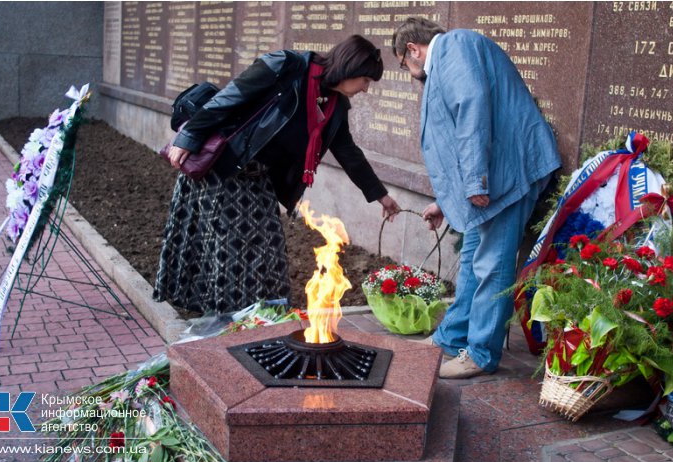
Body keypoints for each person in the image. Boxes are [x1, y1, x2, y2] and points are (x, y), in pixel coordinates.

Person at [154, 35, 400, 316]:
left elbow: (348, 153)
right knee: (230, 249)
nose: (366, 89)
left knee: (267, 252)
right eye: (366, 80)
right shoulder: (286, 66)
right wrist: (188, 136)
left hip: (258, 179)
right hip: (224, 170)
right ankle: (226, 319)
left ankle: (257, 316)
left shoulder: (335, 105)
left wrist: (380, 195)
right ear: (350, 68)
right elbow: (229, 98)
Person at [392, 18, 561, 378]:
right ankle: (451, 340)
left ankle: (481, 352)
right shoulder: (453, 54)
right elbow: (461, 129)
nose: (411, 75)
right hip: (493, 177)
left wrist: (475, 182)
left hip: (506, 174)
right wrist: (448, 199)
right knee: (472, 259)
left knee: (492, 263)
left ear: (412, 49)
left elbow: (472, 109)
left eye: (405, 65)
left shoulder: (452, 46)